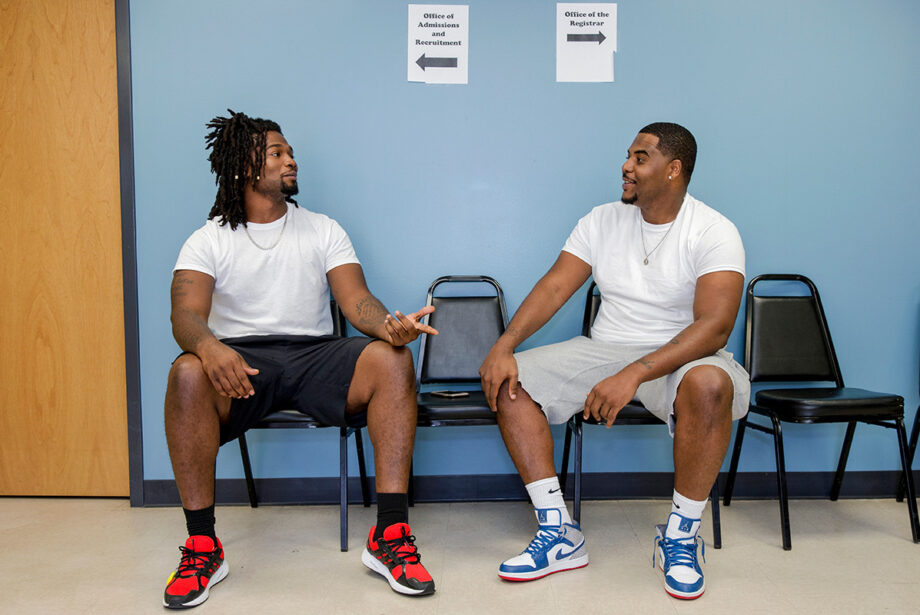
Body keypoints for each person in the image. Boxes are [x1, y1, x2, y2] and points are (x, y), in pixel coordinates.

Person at [162, 110, 436, 609]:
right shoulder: (208, 239)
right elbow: (185, 316)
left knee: (393, 360)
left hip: (314, 354)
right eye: (277, 153)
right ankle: (203, 545)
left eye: (290, 152)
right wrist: (208, 347)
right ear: (246, 166)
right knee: (185, 371)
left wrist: (389, 328)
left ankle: (390, 536)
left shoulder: (322, 229)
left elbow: (357, 301)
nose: (291, 160)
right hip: (242, 360)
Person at [479, 122, 749, 600]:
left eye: (640, 158)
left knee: (710, 384)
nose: (626, 166)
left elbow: (715, 326)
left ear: (673, 170)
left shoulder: (714, 230)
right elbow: (556, 285)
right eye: (628, 156)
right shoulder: (601, 220)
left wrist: (636, 372)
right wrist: (505, 345)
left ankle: (681, 537)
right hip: (605, 349)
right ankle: (559, 532)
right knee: (510, 380)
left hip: (681, 355)